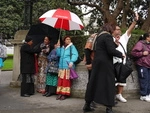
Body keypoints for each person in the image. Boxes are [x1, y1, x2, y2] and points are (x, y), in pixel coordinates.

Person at [83, 23, 124, 113]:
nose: (115, 31)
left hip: (97, 62)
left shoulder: (98, 36)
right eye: (114, 29)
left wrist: (115, 44)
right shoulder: (107, 36)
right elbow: (110, 50)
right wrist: (121, 54)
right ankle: (109, 108)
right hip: (105, 64)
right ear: (110, 29)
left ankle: (87, 104)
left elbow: (104, 48)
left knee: (93, 83)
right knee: (109, 83)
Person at [112, 13, 139, 103]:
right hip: (113, 62)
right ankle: (111, 96)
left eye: (119, 29)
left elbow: (129, 29)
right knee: (113, 79)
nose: (119, 31)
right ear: (113, 30)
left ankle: (119, 94)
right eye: (117, 29)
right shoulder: (109, 38)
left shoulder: (123, 38)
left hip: (123, 62)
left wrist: (134, 21)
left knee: (122, 79)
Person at [56, 36, 78, 100]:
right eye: (67, 39)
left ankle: (65, 94)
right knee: (61, 80)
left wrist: (72, 61)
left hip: (68, 66)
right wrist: (58, 47)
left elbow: (75, 54)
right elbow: (59, 54)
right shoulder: (62, 47)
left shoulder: (72, 47)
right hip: (61, 66)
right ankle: (60, 92)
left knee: (66, 81)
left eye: (69, 39)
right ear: (64, 40)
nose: (68, 40)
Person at [131, 32, 150, 102]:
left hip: (148, 64)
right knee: (144, 80)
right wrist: (142, 53)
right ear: (147, 37)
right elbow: (133, 53)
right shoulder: (140, 44)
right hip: (142, 64)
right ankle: (143, 95)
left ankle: (148, 94)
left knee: (148, 80)